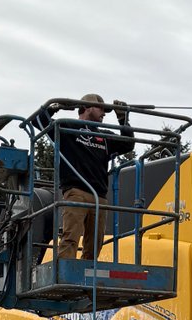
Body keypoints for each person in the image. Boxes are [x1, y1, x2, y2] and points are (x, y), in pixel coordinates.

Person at [29, 93, 134, 260]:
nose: (104, 113)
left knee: (95, 243)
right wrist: (55, 107)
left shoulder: (105, 136)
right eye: (101, 109)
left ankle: (88, 272)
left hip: (99, 196)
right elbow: (38, 121)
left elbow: (128, 144)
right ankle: (65, 272)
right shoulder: (67, 127)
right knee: (71, 237)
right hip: (76, 191)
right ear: (87, 107)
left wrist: (123, 119)